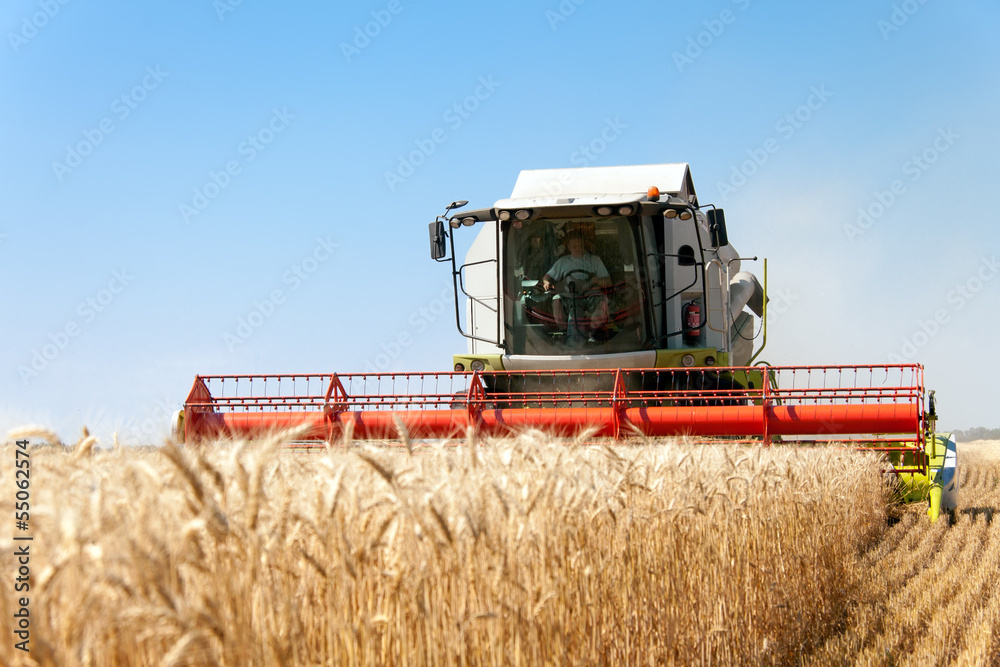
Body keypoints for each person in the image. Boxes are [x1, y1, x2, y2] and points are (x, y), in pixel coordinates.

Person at [541, 232, 611, 334]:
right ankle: (563, 330)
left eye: (580, 245)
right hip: (569, 295)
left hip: (589, 295)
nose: (577, 248)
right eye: (574, 246)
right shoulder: (563, 261)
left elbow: (608, 282)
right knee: (556, 299)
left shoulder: (594, 260)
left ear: (584, 245)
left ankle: (596, 330)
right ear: (569, 247)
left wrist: (598, 281)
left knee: (602, 300)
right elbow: (546, 277)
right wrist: (546, 282)